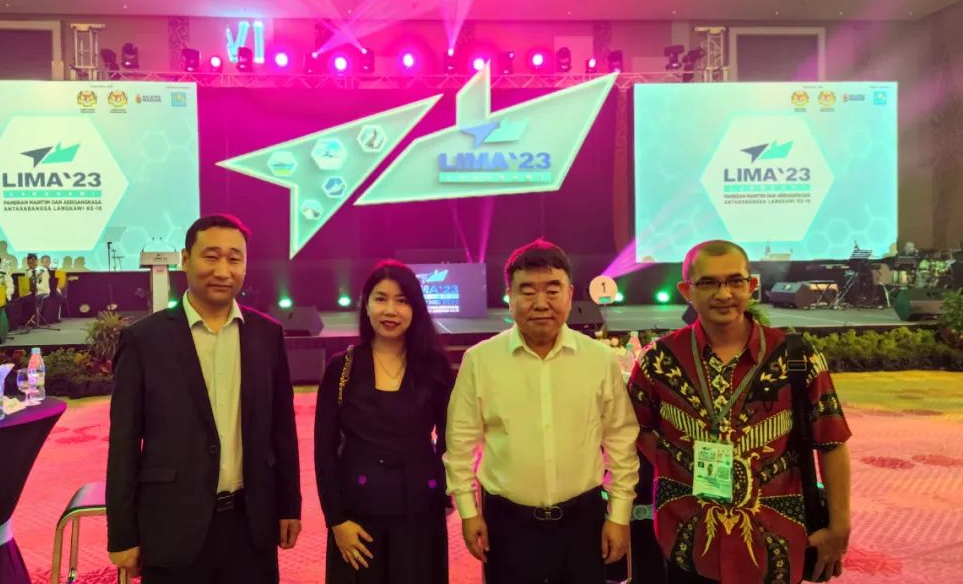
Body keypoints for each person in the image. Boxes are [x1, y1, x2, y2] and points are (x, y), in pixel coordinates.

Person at [627, 240, 852, 584]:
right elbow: (633, 427)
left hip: (775, 545)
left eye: (735, 281)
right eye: (708, 283)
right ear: (687, 291)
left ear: (751, 286)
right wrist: (674, 464)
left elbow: (832, 442)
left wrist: (840, 526)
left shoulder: (795, 356)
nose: (724, 294)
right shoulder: (658, 361)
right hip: (688, 539)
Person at [107, 214, 302, 584]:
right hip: (173, 525)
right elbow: (124, 444)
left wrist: (289, 505)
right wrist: (122, 534)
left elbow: (282, 429)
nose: (223, 271)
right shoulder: (144, 341)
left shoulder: (266, 334)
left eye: (234, 258)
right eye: (211, 257)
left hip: (251, 524)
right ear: (185, 259)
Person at [445, 239, 640, 584]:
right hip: (508, 524)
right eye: (527, 291)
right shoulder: (481, 361)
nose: (540, 303)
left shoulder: (599, 359)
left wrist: (619, 514)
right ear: (509, 295)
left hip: (583, 521)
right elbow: (460, 445)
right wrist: (468, 511)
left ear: (570, 293)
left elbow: (620, 440)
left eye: (552, 290)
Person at [314, 260, 453, 584]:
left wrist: (445, 494)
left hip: (419, 513)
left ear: (415, 308)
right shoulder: (341, 368)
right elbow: (324, 451)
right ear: (366, 305)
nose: (390, 310)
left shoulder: (433, 367)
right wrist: (336, 520)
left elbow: (451, 437)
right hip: (357, 517)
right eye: (381, 299)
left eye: (402, 300)